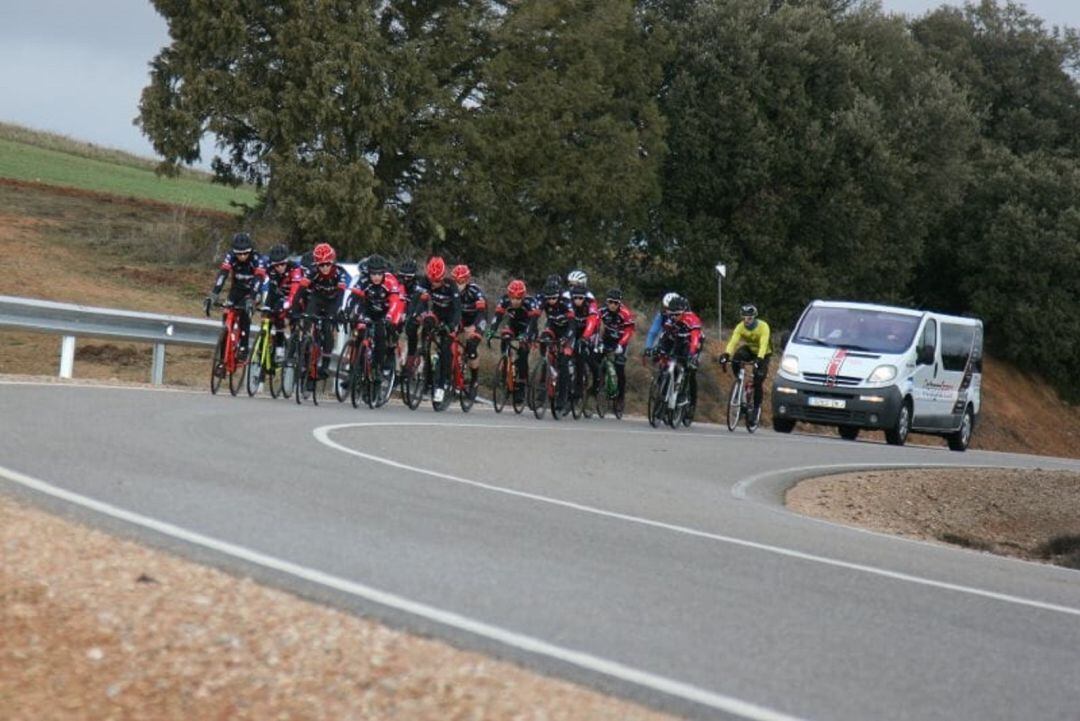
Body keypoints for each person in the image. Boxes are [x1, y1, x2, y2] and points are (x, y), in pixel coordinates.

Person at [285, 242, 351, 379]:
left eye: (328, 264)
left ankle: (325, 363)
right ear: (316, 264)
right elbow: (300, 291)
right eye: (321, 265)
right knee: (307, 320)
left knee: (327, 327)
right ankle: (305, 350)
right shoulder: (312, 271)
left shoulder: (340, 273)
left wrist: (338, 311)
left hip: (333, 301)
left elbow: (341, 295)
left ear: (332, 262)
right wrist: (293, 309)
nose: (325, 268)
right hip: (317, 298)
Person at [204, 232, 266, 360]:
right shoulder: (230, 256)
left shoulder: (257, 258)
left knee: (244, 312)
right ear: (234, 251)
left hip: (252, 290)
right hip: (236, 290)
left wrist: (252, 299)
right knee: (226, 315)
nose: (242, 256)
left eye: (245, 253)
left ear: (251, 250)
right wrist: (214, 294)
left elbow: (258, 279)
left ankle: (243, 346)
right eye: (239, 253)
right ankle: (222, 359)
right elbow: (223, 275)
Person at [409, 256, 461, 402]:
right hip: (436, 314)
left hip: (451, 317)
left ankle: (441, 385)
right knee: (425, 342)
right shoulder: (425, 282)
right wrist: (414, 316)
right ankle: (427, 379)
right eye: (431, 280)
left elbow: (457, 309)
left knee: (445, 349)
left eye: (437, 281)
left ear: (443, 277)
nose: (434, 284)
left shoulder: (451, 286)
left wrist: (452, 326)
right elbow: (418, 301)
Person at [347, 254, 402, 386]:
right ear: (369, 273)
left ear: (384, 272)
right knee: (359, 333)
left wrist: (389, 317)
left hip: (385, 312)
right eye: (373, 274)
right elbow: (353, 297)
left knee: (380, 335)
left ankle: (377, 368)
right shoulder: (364, 280)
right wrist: (347, 311)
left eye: (379, 274)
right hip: (368, 310)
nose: (376, 277)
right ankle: (355, 371)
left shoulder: (390, 280)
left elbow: (395, 301)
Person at [486, 279, 540, 403]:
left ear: (523, 296)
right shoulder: (504, 300)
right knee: (505, 337)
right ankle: (506, 368)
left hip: (528, 327)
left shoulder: (530, 302)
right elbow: (497, 318)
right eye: (513, 298)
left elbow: (533, 322)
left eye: (518, 298)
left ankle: (521, 384)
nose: (515, 301)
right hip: (513, 326)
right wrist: (491, 332)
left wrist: (526, 336)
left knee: (522, 354)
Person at [719, 303, 772, 417]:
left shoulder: (763, 327)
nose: (746, 320)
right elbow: (733, 342)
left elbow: (763, 345)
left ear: (754, 317)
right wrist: (726, 354)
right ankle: (740, 384)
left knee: (758, 380)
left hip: (764, 353)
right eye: (744, 318)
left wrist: (759, 359)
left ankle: (756, 409)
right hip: (750, 350)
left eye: (749, 318)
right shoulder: (740, 327)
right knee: (736, 358)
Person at [538, 279, 576, 411]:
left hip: (568, 331)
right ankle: (544, 374)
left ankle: (563, 396)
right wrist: (529, 333)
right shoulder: (545, 302)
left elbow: (572, 324)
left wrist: (566, 338)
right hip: (553, 327)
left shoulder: (566, 303)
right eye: (548, 298)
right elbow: (533, 319)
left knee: (564, 362)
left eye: (554, 298)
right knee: (543, 340)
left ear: (559, 295)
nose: (551, 301)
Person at [262, 244, 303, 361]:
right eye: (276, 265)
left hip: (293, 296)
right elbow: (261, 280)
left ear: (287, 261)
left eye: (282, 264)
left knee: (292, 317)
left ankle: (295, 351)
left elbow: (295, 290)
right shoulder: (269, 268)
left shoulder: (295, 269)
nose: (280, 267)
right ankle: (267, 346)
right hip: (276, 294)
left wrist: (289, 304)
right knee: (268, 315)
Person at [593, 288, 635, 403]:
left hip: (621, 340)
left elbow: (629, 330)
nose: (612, 305)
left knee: (620, 368)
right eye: (610, 302)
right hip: (607, 338)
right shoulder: (602, 311)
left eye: (615, 303)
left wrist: (621, 344)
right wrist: (598, 342)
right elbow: (595, 327)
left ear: (620, 303)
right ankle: (597, 385)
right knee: (595, 360)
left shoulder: (625, 313)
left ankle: (620, 398)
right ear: (607, 302)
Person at [451, 264, 487, 390]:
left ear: (467, 280)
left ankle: (474, 379)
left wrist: (474, 327)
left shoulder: (475, 291)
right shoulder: (450, 290)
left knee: (471, 348)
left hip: (477, 319)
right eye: (455, 281)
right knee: (450, 343)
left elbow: (482, 312)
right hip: (460, 319)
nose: (458, 284)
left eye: (461, 281)